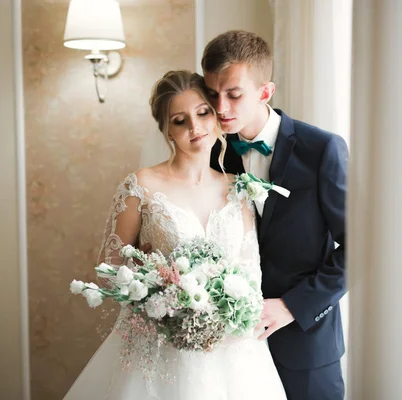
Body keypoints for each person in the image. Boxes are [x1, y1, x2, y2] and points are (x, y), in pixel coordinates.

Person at [64, 70, 287, 400]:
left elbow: (250, 275)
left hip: (231, 353)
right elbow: (109, 272)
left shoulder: (238, 189)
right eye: (180, 121)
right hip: (159, 349)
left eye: (202, 113)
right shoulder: (141, 186)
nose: (195, 128)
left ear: (215, 114)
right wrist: (164, 290)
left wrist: (227, 310)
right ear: (167, 130)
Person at [204, 31, 348, 400]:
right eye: (212, 93)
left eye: (234, 94)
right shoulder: (210, 154)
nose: (221, 108)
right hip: (229, 350)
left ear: (265, 92)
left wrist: (290, 306)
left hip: (306, 345)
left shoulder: (323, 149)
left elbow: (360, 248)